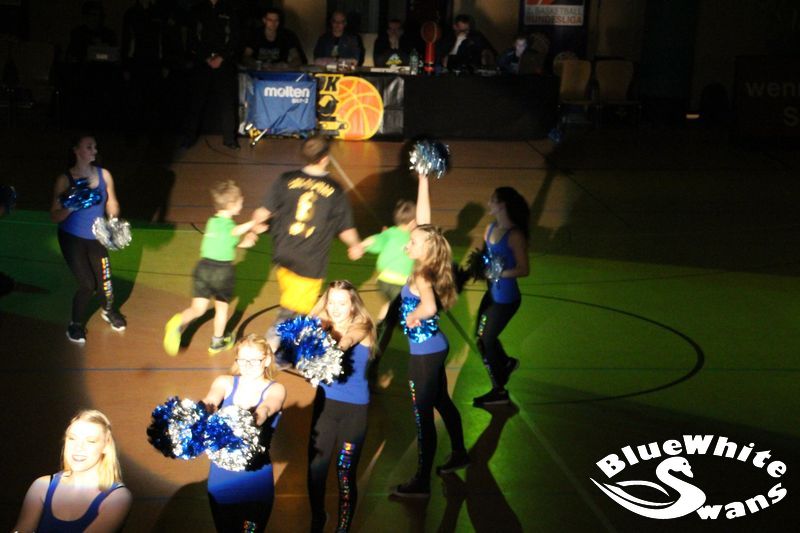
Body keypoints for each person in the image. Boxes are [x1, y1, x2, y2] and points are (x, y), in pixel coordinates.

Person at [391, 173, 469, 497]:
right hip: (434, 348)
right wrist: (423, 179)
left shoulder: (423, 273)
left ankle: (421, 482)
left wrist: (413, 315)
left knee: (423, 417)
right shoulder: (429, 259)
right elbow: (425, 225)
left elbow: (430, 306)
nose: (407, 243)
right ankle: (460, 453)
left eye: (412, 242)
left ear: (424, 249)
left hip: (424, 355)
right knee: (442, 402)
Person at [253, 136, 362, 358]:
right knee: (292, 313)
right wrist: (355, 245)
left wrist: (254, 227)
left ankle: (286, 351)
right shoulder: (334, 190)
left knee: (296, 305)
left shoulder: (286, 179)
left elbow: (261, 213)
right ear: (325, 158)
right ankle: (266, 353)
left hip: (283, 256)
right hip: (309, 262)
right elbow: (346, 229)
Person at [163, 180, 263, 356]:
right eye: (240, 201)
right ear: (231, 205)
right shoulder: (230, 226)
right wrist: (253, 223)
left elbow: (223, 243)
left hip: (203, 269)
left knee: (198, 309)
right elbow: (234, 231)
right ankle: (217, 342)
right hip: (222, 272)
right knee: (221, 308)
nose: (242, 203)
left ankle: (178, 322)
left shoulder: (212, 222)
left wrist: (244, 242)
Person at [306, 280, 376, 532]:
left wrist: (336, 348)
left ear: (353, 305)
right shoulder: (320, 324)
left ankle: (343, 528)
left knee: (345, 473)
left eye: (342, 303)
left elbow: (348, 340)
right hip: (325, 407)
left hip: (354, 412)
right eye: (331, 302)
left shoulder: (362, 325)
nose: (335, 308)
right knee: (316, 469)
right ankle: (318, 518)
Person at [202, 334, 286, 532]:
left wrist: (251, 420)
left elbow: (268, 407)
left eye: (254, 360)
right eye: (242, 360)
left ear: (266, 360)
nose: (247, 365)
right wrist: (198, 412)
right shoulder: (224, 382)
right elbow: (210, 401)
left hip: (255, 481)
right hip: (221, 480)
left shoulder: (276, 389)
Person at [51, 134, 127, 344]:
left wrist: (113, 221)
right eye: (89, 147)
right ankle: (75, 324)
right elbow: (54, 215)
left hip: (96, 237)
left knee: (106, 281)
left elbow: (112, 202)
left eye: (95, 147)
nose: (94, 151)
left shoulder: (104, 175)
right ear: (76, 150)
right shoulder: (65, 180)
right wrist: (71, 207)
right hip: (72, 238)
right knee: (87, 284)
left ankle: (108, 310)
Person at [13, 410, 133, 532]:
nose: (78, 448)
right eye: (72, 438)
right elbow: (22, 529)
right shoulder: (42, 486)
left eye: (90, 441)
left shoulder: (118, 497)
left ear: (106, 446)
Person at [472, 187, 530, 406]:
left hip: (506, 300)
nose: (489, 204)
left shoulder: (514, 235)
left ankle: (499, 390)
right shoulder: (489, 229)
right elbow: (485, 258)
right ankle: (505, 363)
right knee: (481, 336)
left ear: (502, 205)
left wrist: (498, 273)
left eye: (492, 201)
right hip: (492, 295)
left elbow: (524, 269)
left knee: (485, 340)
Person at [358, 199, 416, 356]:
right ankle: (376, 347)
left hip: (383, 280)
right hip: (400, 284)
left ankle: (377, 333)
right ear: (413, 222)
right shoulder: (413, 236)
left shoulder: (390, 233)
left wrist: (361, 245)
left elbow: (375, 239)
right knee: (396, 316)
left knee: (388, 308)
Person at [182, 0, 241, 150]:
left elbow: (235, 38)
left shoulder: (230, 9)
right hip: (202, 63)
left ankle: (229, 139)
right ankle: (189, 138)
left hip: (224, 63)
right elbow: (191, 38)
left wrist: (222, 57)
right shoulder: (197, 9)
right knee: (195, 102)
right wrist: (206, 58)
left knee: (227, 103)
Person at [242, 7, 306, 69]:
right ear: (264, 20)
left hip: (279, 72)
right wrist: (259, 65)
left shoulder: (287, 35)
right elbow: (245, 57)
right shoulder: (255, 34)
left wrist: (286, 65)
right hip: (258, 72)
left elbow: (297, 58)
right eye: (270, 20)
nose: (273, 23)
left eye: (276, 20)